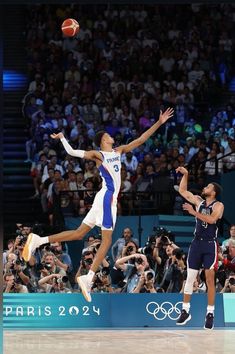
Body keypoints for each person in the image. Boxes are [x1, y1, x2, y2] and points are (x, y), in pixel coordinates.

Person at [22, 107, 174, 302]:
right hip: (107, 197)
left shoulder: (119, 151)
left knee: (78, 234)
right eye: (109, 136)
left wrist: (159, 123)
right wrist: (61, 138)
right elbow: (72, 152)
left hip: (104, 198)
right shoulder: (99, 154)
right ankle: (89, 276)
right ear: (103, 140)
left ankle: (38, 241)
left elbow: (141, 139)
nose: (112, 137)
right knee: (107, 240)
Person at [175, 166, 224, 330]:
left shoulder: (219, 205)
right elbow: (183, 191)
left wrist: (193, 213)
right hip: (196, 243)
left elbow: (211, 220)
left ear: (214, 192)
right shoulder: (198, 201)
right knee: (189, 278)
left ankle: (210, 313)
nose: (205, 188)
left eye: (208, 187)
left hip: (210, 244)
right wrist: (186, 174)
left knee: (210, 279)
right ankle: (185, 311)